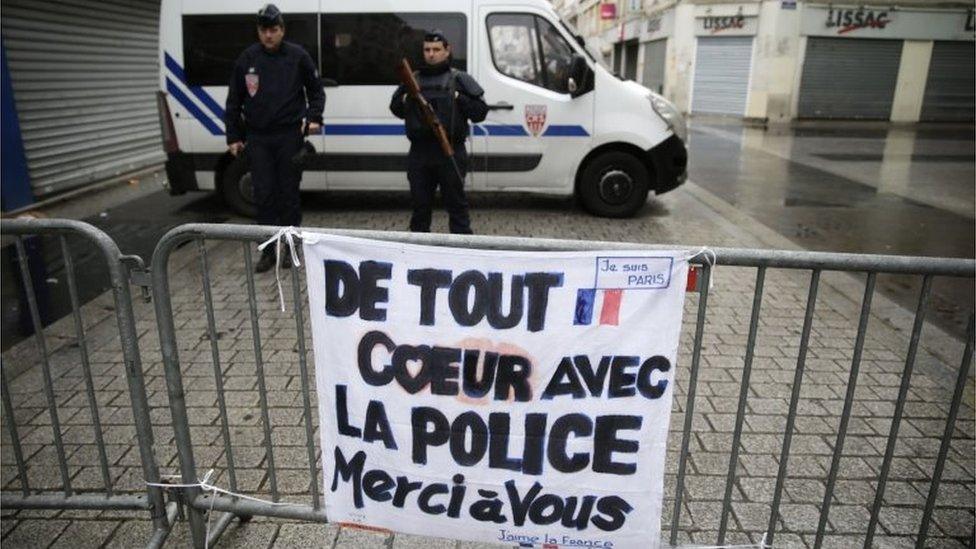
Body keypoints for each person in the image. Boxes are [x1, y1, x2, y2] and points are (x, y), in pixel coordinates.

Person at [225, 4, 325, 272]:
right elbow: (234, 100)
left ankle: (291, 248)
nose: (269, 35)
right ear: (259, 32)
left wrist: (314, 117)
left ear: (282, 30)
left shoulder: (297, 56)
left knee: (289, 195)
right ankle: (268, 251)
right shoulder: (247, 59)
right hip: (257, 138)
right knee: (264, 196)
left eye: (274, 30)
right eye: (264, 30)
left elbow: (316, 91)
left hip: (288, 136)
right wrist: (233, 136)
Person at [390, 30, 488, 234]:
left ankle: (463, 255)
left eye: (436, 49)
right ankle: (417, 259)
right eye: (427, 50)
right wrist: (409, 100)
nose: (431, 54)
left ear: (447, 51)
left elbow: (480, 112)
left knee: (457, 210)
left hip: (450, 151)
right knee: (420, 211)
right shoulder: (413, 80)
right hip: (420, 154)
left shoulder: (459, 79)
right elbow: (395, 107)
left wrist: (460, 98)